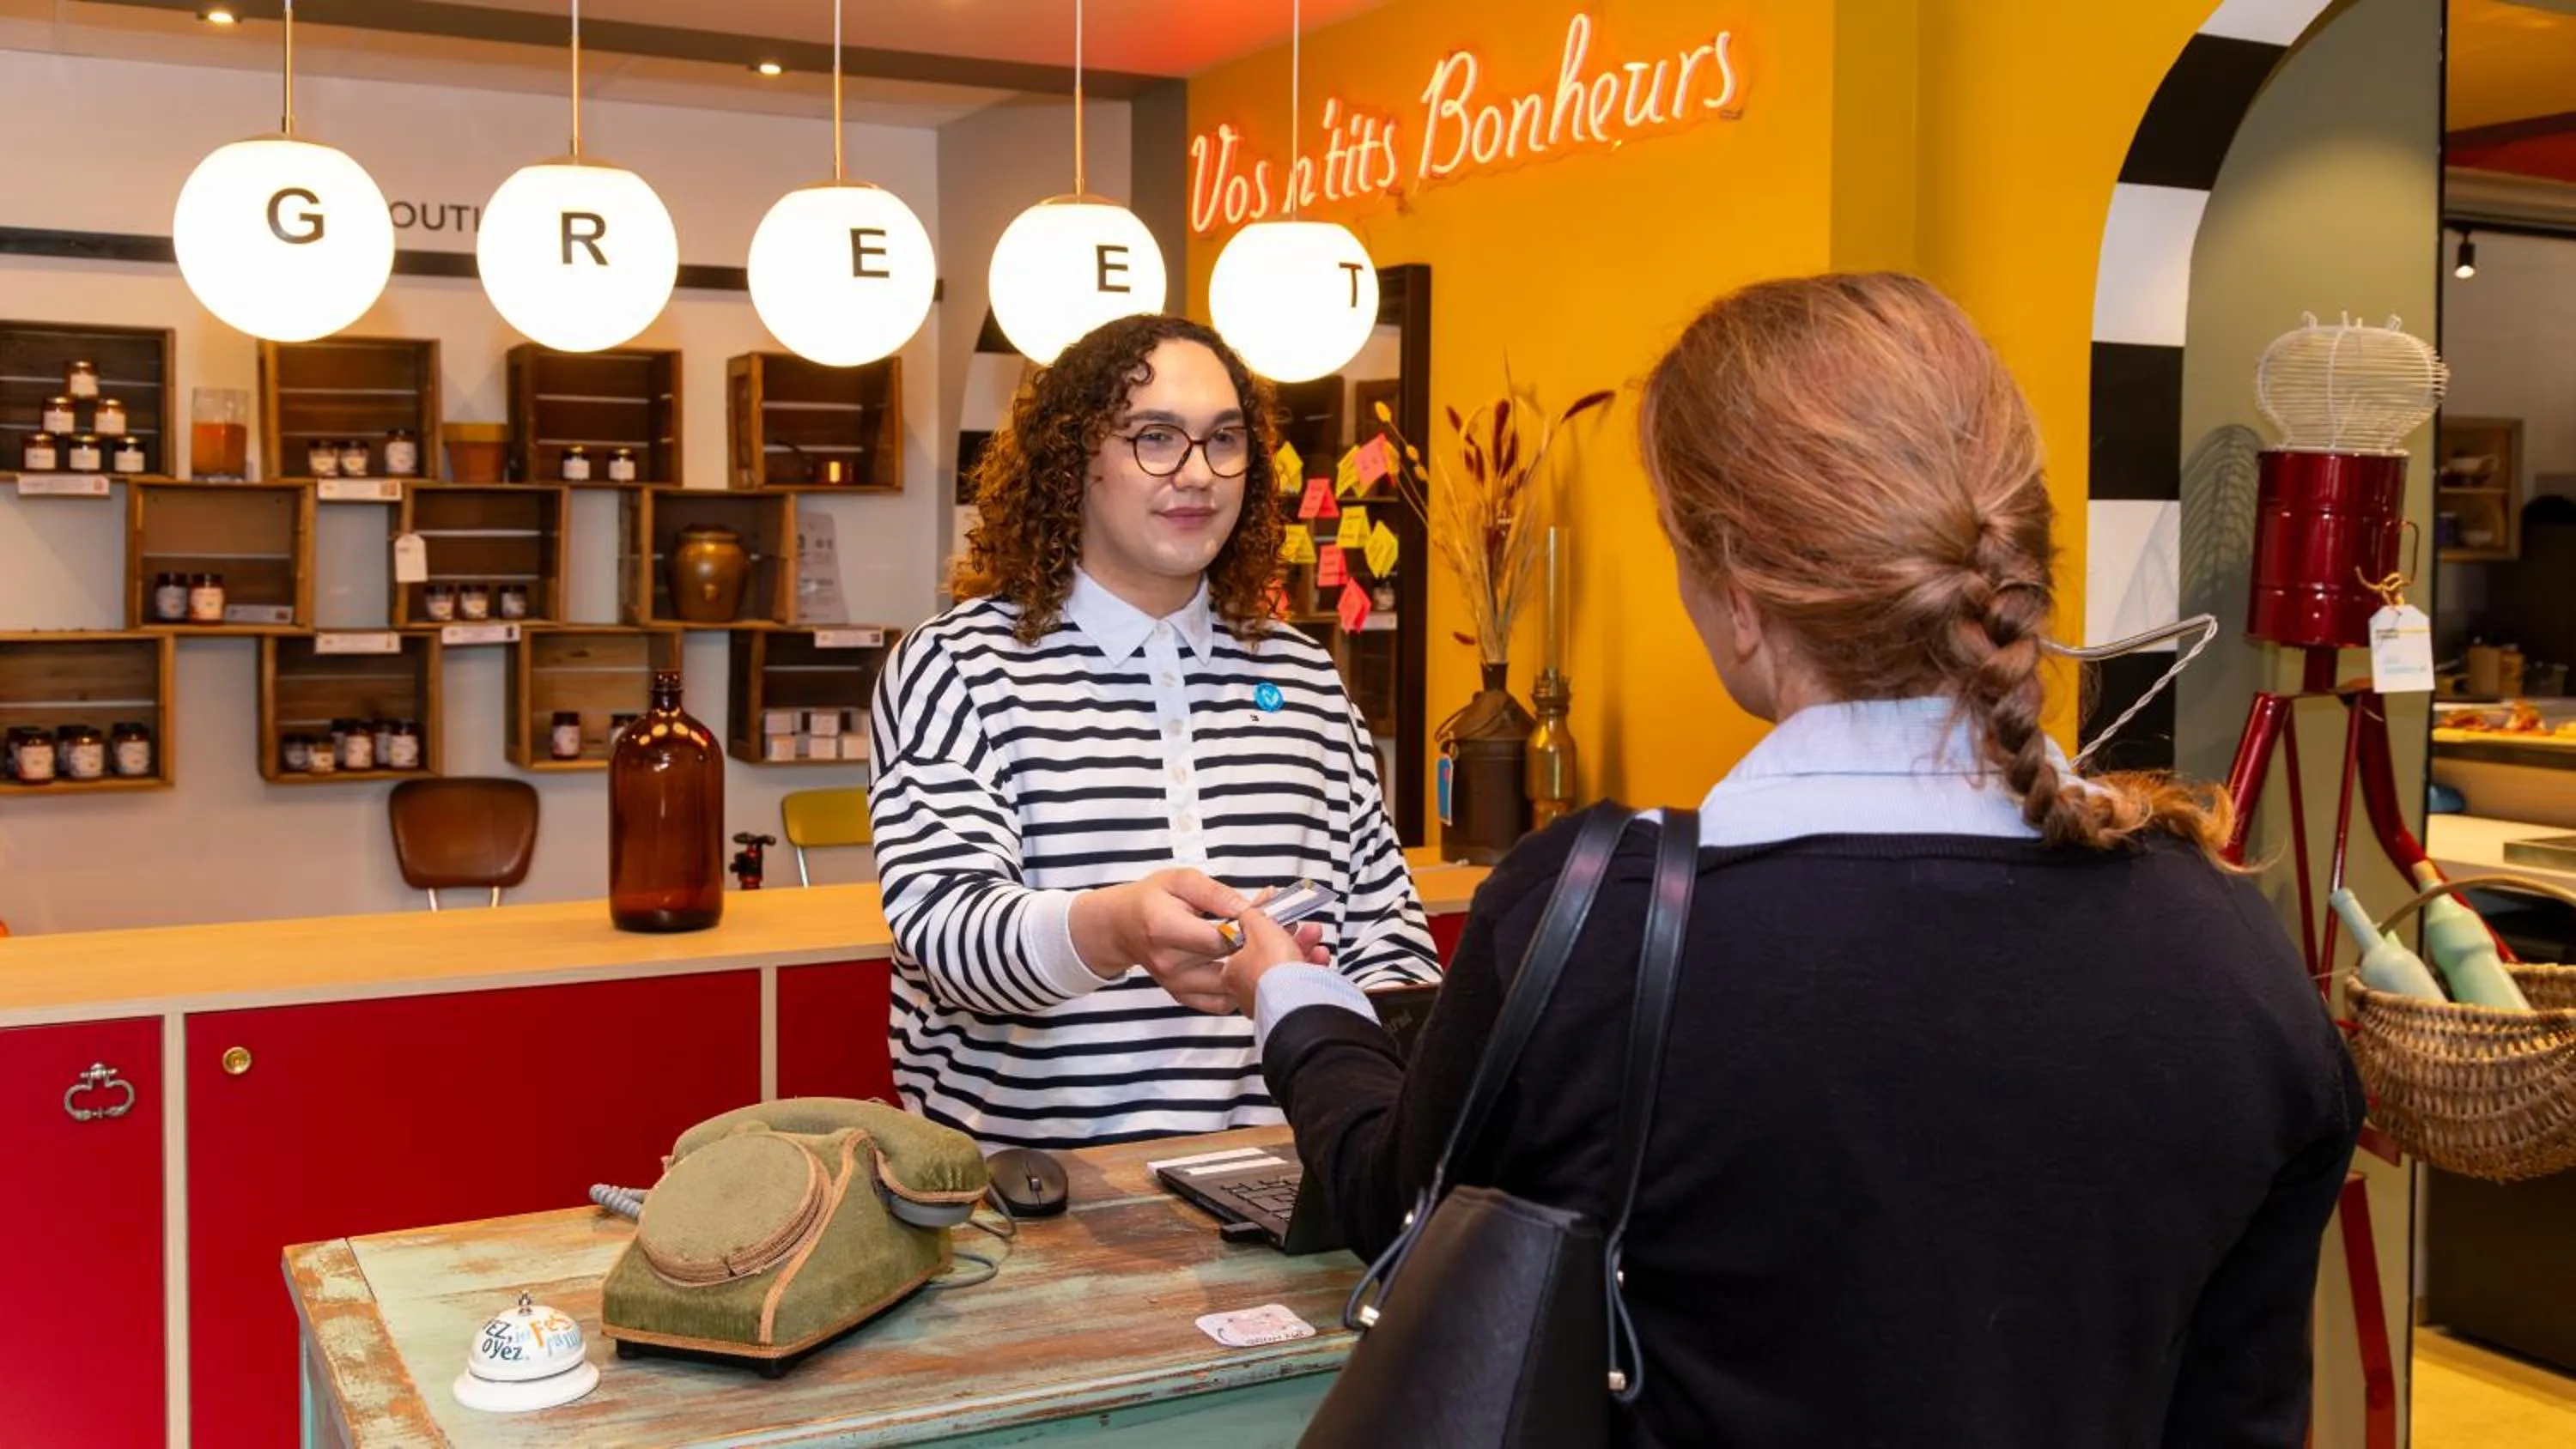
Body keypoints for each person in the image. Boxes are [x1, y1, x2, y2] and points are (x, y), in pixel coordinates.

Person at [1224, 274, 2365, 1446]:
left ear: (1737, 591)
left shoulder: (1594, 925)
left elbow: (1398, 1209)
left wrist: (1295, 999)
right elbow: (2244, 1407)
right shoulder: (2232, 950)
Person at [868, 313, 1438, 1149]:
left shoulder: (1304, 674)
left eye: (1224, 439)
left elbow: (1389, 935)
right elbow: (949, 938)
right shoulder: (957, 665)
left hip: (1280, 1176)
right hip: (1034, 1193)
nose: (1198, 473)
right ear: (1074, 458)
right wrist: (1117, 928)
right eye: (1156, 437)